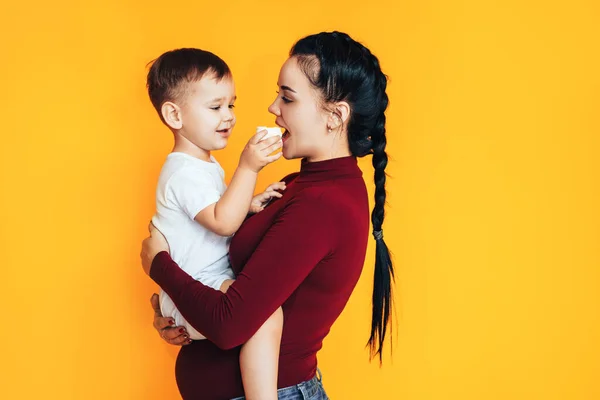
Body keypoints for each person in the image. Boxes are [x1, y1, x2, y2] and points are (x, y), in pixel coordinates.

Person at [141, 31, 394, 400]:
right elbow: (217, 265)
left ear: (335, 116)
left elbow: (229, 324)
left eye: (287, 98)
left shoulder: (322, 204)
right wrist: (174, 310)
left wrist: (159, 264)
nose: (273, 108)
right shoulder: (299, 185)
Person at [145, 47, 285, 400]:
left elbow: (218, 211)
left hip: (202, 285)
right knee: (265, 316)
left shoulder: (202, 166)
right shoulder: (183, 170)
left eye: (231, 105)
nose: (229, 116)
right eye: (215, 107)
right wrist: (248, 168)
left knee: (261, 312)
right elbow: (223, 222)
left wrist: (249, 203)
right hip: (195, 289)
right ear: (174, 115)